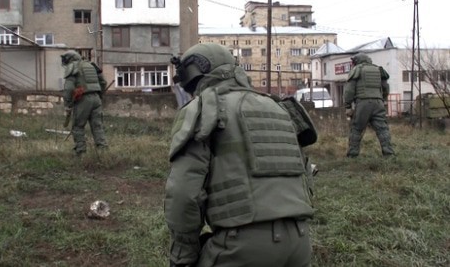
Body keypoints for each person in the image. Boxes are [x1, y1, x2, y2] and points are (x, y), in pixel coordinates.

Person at [165, 43, 317, 267]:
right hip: (300, 241)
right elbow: (304, 175)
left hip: (242, 246)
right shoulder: (279, 109)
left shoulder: (204, 109)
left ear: (194, 74)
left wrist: (183, 255)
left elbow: (184, 192)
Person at [343, 53, 395, 158]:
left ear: (357, 61)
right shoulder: (378, 70)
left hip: (363, 103)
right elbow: (385, 87)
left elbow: (349, 90)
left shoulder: (357, 70)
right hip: (378, 103)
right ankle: (389, 154)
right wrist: (382, 99)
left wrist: (348, 106)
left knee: (357, 129)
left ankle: (352, 155)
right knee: (382, 129)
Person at [61, 50, 108, 155]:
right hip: (96, 99)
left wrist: (67, 104)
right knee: (97, 126)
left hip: (83, 99)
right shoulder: (91, 65)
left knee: (77, 126)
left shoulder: (73, 66)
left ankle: (81, 152)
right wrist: (99, 95)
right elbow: (103, 82)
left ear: (70, 59)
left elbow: (68, 88)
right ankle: (103, 151)